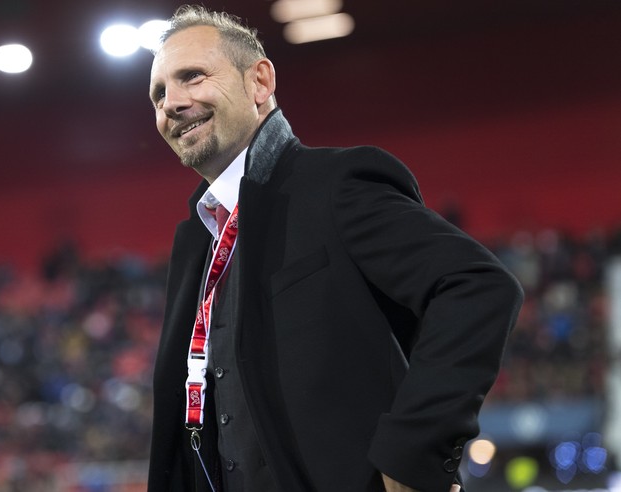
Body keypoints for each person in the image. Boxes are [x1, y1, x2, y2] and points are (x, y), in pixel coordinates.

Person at [146, 5, 523, 492]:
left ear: (259, 83)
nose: (171, 103)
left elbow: (477, 285)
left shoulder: (335, 185)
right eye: (157, 94)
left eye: (192, 77)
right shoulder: (196, 239)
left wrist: (413, 456)